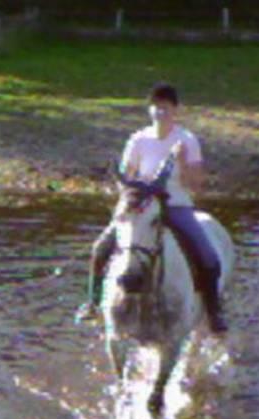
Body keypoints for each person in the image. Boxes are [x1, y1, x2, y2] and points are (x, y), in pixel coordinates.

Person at [75, 82, 228, 333]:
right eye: (155, 108)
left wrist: (182, 161)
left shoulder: (187, 140)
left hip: (176, 206)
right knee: (100, 248)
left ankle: (213, 313)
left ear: (176, 110)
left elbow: (197, 184)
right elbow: (125, 178)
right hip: (142, 208)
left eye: (165, 108)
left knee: (208, 257)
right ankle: (92, 304)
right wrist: (129, 202)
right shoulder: (138, 139)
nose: (160, 113)